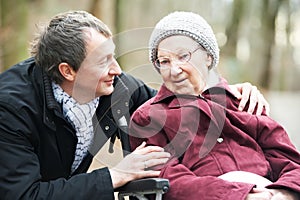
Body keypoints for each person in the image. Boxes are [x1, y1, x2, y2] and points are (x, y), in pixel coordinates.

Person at [0, 10, 269, 199]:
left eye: (113, 56)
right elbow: (23, 194)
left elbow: (174, 107)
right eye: (103, 62)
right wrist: (114, 176)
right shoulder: (10, 108)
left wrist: (227, 93)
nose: (117, 69)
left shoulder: (118, 87)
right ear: (68, 72)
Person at [129, 11, 300, 200]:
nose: (174, 70)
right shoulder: (149, 118)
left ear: (208, 57)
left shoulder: (243, 101)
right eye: (164, 61)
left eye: (183, 56)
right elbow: (169, 179)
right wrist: (241, 196)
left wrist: (284, 193)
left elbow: (290, 161)